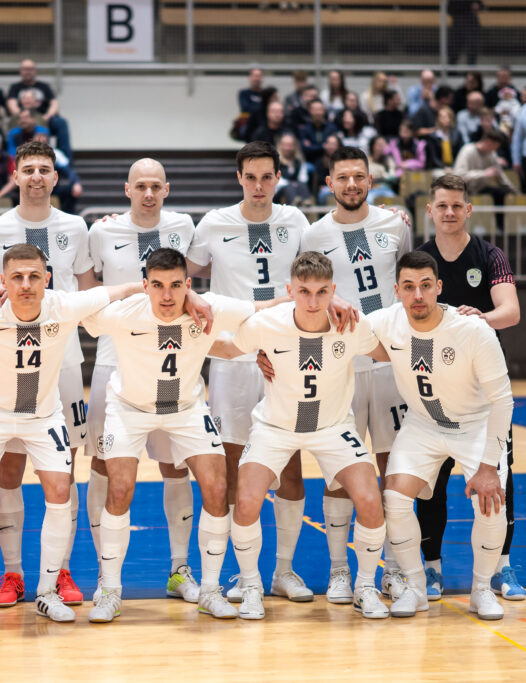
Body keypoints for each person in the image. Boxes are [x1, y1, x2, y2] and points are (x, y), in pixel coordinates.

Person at [0, 244, 141, 624]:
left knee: (60, 490)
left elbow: (122, 289)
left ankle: (47, 591)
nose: (25, 284)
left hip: (42, 415)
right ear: (1, 280)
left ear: (47, 279)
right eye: (16, 277)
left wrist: (179, 294)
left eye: (34, 276)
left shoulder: (64, 305)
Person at [84, 248, 256, 623]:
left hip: (185, 409)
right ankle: (110, 589)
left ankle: (209, 590)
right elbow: (78, 307)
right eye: (157, 286)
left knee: (215, 485)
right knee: (120, 489)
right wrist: (130, 289)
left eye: (176, 286)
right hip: (129, 409)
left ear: (188, 285)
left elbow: (266, 307)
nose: (166, 296)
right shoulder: (123, 312)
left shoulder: (207, 308)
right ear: (145, 286)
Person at [0, 140, 97, 609]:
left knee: (63, 470)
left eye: (45, 169)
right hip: (6, 363)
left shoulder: (75, 227)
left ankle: (58, 572)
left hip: (61, 363)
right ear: (14, 176)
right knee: (9, 468)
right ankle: (13, 573)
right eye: (29, 169)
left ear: (56, 177)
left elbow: (87, 292)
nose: (37, 176)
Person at [225, 251, 391, 620]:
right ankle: (252, 584)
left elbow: (389, 352)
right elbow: (226, 346)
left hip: (333, 427)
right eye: (304, 291)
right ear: (289, 291)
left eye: (321, 292)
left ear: (334, 290)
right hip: (275, 428)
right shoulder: (266, 322)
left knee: (368, 498)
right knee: (248, 497)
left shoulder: (351, 325)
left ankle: (364, 586)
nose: (313, 301)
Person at [186, 141, 313, 604]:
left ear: (278, 177)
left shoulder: (296, 222)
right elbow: (183, 273)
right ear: (238, 178)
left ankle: (284, 571)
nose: (259, 186)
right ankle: (245, 575)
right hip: (233, 360)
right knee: (236, 467)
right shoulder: (214, 223)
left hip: (287, 357)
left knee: (292, 463)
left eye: (267, 177)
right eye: (250, 177)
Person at [370, 249, 512, 620]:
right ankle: (416, 587)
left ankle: (482, 590)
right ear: (397, 290)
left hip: (475, 426)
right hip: (423, 426)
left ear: (439, 288)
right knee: (395, 497)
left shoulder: (473, 330)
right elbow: (332, 331)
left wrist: (487, 467)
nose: (418, 295)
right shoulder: (385, 322)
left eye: (426, 286)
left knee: (490, 498)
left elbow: (503, 401)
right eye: (409, 287)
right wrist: (270, 354)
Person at [298, 145, 412, 603]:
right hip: (338, 366)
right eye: (342, 177)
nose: (351, 184)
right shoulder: (313, 235)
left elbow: (409, 285)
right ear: (329, 183)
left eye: (359, 177)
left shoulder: (394, 225)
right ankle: (340, 571)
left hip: (388, 365)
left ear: (370, 180)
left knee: (391, 466)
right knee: (337, 470)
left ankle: (391, 569)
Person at [85, 160, 201, 603]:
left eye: (156, 186)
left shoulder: (185, 226)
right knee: (103, 464)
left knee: (176, 465)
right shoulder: (102, 232)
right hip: (115, 362)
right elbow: (90, 288)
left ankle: (179, 569)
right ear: (127, 189)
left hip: (171, 357)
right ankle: (105, 574)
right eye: (141, 187)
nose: (148, 193)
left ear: (166, 189)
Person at [415, 174, 522, 602]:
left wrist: (477, 320)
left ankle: (501, 568)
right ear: (430, 210)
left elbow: (510, 311)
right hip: (432, 386)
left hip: (482, 387)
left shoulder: (489, 255)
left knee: (499, 476)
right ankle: (431, 568)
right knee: (432, 480)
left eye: (457, 205)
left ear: (468, 209)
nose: (449, 213)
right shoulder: (419, 259)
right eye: (442, 205)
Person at [6, 59, 72, 159]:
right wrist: (24, 116)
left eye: (30, 69)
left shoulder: (44, 86)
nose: (28, 71)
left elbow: (54, 103)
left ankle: (64, 160)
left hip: (43, 118)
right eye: (25, 69)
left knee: (61, 122)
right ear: (21, 71)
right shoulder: (15, 87)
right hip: (21, 118)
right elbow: (11, 103)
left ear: (35, 71)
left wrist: (48, 115)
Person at [453, 129, 516, 203]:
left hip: (480, 189)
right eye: (494, 147)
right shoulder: (467, 151)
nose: (494, 150)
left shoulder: (492, 154)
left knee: (502, 193)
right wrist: (484, 173)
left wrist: (514, 190)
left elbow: (501, 177)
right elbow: (458, 176)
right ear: (489, 142)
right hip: (464, 189)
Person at [298, 99, 337, 164]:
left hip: (330, 162)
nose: (318, 113)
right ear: (310, 111)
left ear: (324, 111)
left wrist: (312, 146)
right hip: (310, 162)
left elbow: (335, 148)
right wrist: (323, 146)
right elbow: (305, 149)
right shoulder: (305, 129)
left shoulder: (332, 128)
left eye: (320, 110)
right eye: (315, 110)